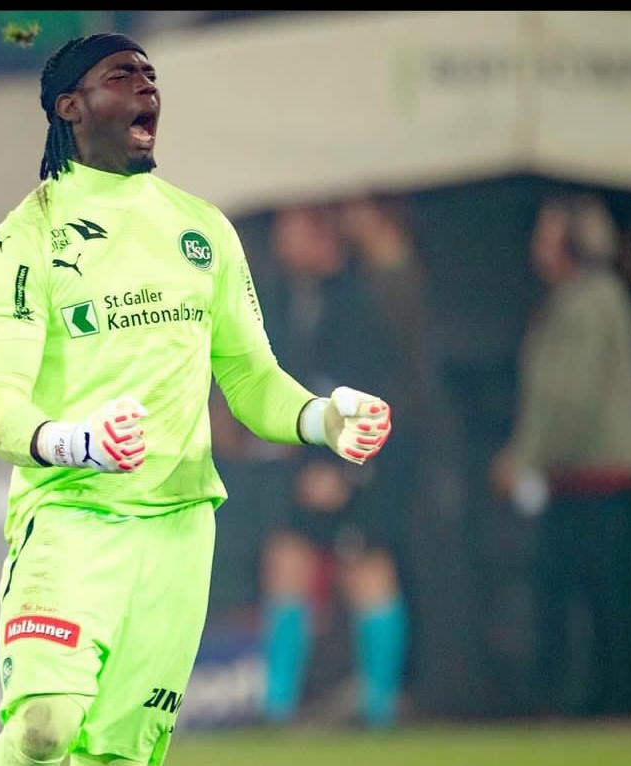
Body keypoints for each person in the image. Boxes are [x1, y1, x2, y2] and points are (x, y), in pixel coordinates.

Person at [0, 33, 393, 766]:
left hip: (178, 532)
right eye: (122, 75)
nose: (147, 87)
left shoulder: (203, 231)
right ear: (71, 106)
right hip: (71, 519)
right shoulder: (24, 241)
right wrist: (77, 442)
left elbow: (252, 380)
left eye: (151, 75)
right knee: (44, 727)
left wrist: (322, 417)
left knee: (119, 756)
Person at [253, 203, 409, 730]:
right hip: (304, 461)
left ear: (320, 233)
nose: (281, 237)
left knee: (368, 571)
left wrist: (345, 468)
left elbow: (373, 385)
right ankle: (276, 710)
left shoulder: (359, 298)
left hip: (353, 464)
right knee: (285, 562)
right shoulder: (289, 295)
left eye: (292, 225)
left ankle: (381, 710)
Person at [490, 193, 631, 717]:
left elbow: (567, 396)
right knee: (583, 594)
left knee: (600, 597)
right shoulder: (575, 299)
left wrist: (525, 456)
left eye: (547, 234)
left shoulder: (589, 302)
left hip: (598, 477)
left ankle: (609, 702)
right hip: (577, 477)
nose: (537, 246)